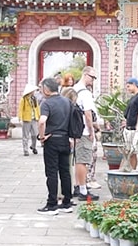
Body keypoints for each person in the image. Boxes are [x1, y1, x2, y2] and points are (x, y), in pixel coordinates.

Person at [36, 78, 75, 215]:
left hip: (52, 141)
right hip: (65, 140)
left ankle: (52, 204)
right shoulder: (67, 101)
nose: (40, 91)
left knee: (52, 172)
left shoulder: (46, 104)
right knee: (65, 172)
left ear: (46, 89)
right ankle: (67, 202)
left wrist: (41, 137)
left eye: (41, 88)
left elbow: (42, 122)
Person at [72, 67, 100, 201]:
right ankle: (83, 190)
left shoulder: (74, 89)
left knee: (79, 160)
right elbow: (88, 114)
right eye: (92, 77)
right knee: (83, 161)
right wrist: (91, 131)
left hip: (75, 130)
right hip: (84, 131)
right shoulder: (85, 93)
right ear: (85, 74)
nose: (93, 80)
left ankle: (78, 186)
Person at [122, 77, 138, 170]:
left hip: (134, 128)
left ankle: (133, 169)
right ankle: (129, 169)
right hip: (129, 126)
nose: (127, 88)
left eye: (128, 86)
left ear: (134, 85)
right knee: (128, 151)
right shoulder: (133, 97)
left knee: (132, 151)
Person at [18, 86, 40, 157]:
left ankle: (33, 146)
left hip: (34, 119)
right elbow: (20, 109)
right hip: (26, 119)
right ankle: (25, 150)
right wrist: (20, 119)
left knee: (35, 134)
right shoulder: (23, 99)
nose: (34, 92)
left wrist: (39, 117)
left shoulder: (34, 99)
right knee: (25, 135)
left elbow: (37, 108)